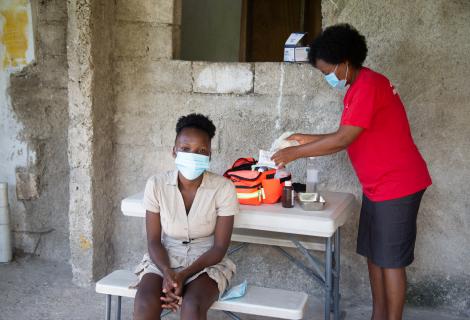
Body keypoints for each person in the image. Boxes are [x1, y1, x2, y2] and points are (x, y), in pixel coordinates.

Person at [272, 24, 432, 320]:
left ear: (345, 63)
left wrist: (294, 153)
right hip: (378, 186)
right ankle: (378, 315)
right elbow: (345, 132)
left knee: (391, 261)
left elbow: (343, 139)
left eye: (327, 71)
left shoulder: (369, 86)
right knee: (375, 256)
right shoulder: (358, 87)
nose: (327, 78)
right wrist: (305, 138)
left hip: (398, 184)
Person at [133, 113, 239, 320]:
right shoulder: (156, 184)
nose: (193, 155)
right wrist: (167, 273)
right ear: (174, 151)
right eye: (185, 149)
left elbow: (219, 248)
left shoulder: (224, 188)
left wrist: (182, 276)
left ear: (209, 155)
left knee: (192, 305)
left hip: (207, 260)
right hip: (165, 257)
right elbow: (154, 241)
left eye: (201, 150)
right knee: (145, 301)